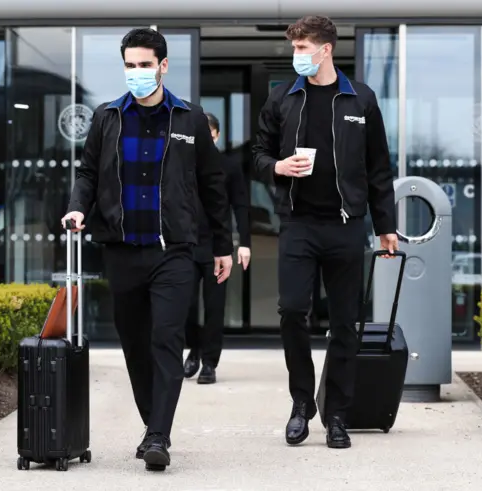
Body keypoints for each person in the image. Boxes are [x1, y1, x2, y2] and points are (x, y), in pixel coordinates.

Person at [62, 28, 233, 471]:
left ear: (163, 66)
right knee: (135, 345)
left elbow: (213, 186)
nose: (136, 73)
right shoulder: (107, 118)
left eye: (144, 64)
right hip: (122, 250)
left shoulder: (189, 119)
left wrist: (223, 246)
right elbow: (86, 174)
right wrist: (78, 209)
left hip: (172, 250)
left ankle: (159, 435)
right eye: (129, 65)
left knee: (166, 338)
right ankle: (151, 423)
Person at [252, 15, 398, 450]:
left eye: (302, 48)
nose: (296, 55)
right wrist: (276, 167)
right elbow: (258, 154)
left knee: (345, 325)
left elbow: (378, 169)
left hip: (347, 226)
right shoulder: (281, 99)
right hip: (298, 223)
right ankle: (302, 404)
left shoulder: (361, 100)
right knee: (293, 311)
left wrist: (386, 226)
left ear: (325, 49)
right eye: (294, 48)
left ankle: (337, 414)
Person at [183, 112, 251, 385]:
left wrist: (244, 243)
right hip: (185, 244)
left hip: (216, 247)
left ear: (217, 136)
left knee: (214, 307)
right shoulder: (185, 164)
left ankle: (209, 362)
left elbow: (241, 205)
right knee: (184, 306)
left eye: (211, 137)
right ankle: (194, 349)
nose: (207, 142)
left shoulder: (229, 166)